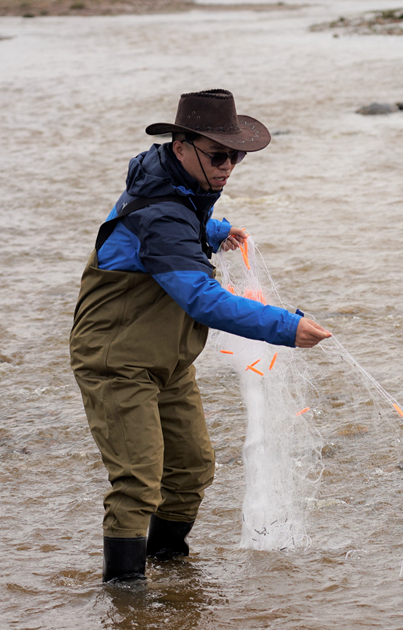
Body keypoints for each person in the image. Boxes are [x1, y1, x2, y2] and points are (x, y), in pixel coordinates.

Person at [69, 89, 331, 583]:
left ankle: (170, 573)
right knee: (138, 481)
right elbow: (201, 298)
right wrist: (286, 326)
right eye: (217, 155)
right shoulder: (161, 212)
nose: (228, 165)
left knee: (192, 468)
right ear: (181, 146)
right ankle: (127, 597)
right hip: (116, 360)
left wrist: (213, 231)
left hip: (166, 359)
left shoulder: (173, 184)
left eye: (236, 156)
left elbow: (178, 222)